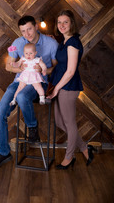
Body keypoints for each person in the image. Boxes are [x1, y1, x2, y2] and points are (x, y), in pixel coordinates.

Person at [0, 15, 58, 169]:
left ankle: (32, 128)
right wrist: (18, 68)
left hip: (39, 83)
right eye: (23, 31)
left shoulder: (51, 43)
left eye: (29, 29)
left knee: (21, 96)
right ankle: (4, 152)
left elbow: (56, 67)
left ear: (36, 26)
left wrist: (44, 70)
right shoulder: (17, 43)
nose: (27, 34)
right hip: (19, 82)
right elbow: (8, 66)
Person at [47, 10, 96, 170]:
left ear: (72, 24)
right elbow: (61, 63)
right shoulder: (64, 41)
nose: (61, 25)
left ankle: (69, 157)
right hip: (60, 85)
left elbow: (70, 71)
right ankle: (84, 148)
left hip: (68, 87)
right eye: (59, 22)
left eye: (65, 22)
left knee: (69, 123)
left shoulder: (73, 42)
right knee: (61, 122)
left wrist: (56, 89)